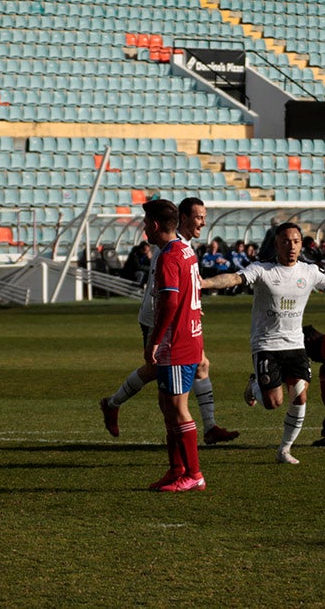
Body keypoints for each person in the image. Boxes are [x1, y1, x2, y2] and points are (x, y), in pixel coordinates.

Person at [201, 222, 325, 465]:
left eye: (296, 241)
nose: (292, 246)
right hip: (266, 345)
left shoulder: (309, 271)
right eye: (286, 241)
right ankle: (255, 383)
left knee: (300, 395)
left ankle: (284, 450)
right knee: (272, 403)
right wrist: (205, 283)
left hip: (296, 345)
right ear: (276, 244)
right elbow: (233, 278)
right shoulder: (263, 270)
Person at [99, 197, 238, 445]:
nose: (203, 223)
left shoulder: (183, 247)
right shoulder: (168, 249)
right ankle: (115, 404)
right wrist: (158, 333)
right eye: (198, 217)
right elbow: (160, 293)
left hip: (180, 318)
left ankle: (208, 427)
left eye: (204, 217)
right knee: (162, 378)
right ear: (183, 218)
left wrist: (193, 307)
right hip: (160, 320)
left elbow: (187, 285)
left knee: (200, 365)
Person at [139, 199, 206, 491]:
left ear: (154, 225)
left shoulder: (169, 256)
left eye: (145, 224)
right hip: (186, 336)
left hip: (177, 341)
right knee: (167, 405)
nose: (143, 229)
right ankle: (177, 468)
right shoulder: (185, 250)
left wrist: (155, 339)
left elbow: (170, 300)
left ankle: (194, 474)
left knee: (178, 407)